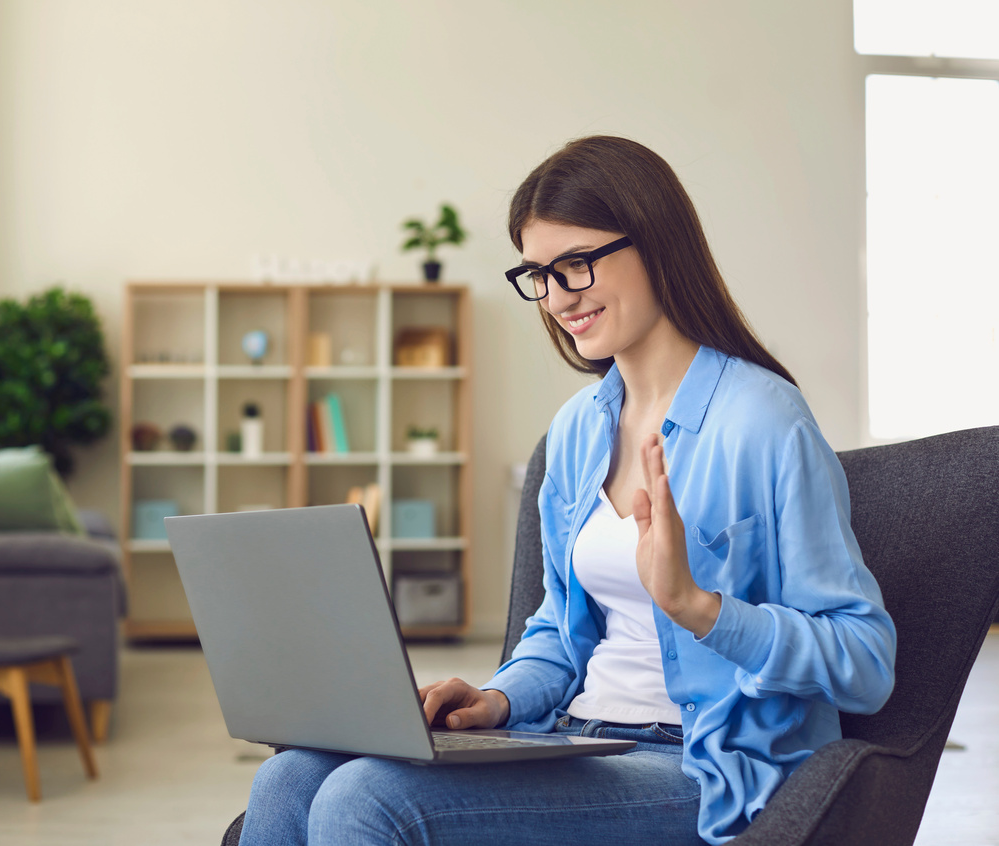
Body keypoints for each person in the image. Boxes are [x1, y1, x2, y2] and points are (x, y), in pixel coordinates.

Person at [238, 136, 896, 846]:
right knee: (291, 777)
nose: (556, 297)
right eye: (538, 275)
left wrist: (699, 608)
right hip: (574, 739)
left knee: (367, 799)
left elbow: (863, 662)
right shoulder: (577, 430)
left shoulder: (762, 420)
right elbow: (559, 631)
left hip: (701, 769)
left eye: (575, 264)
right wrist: (495, 701)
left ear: (655, 243)